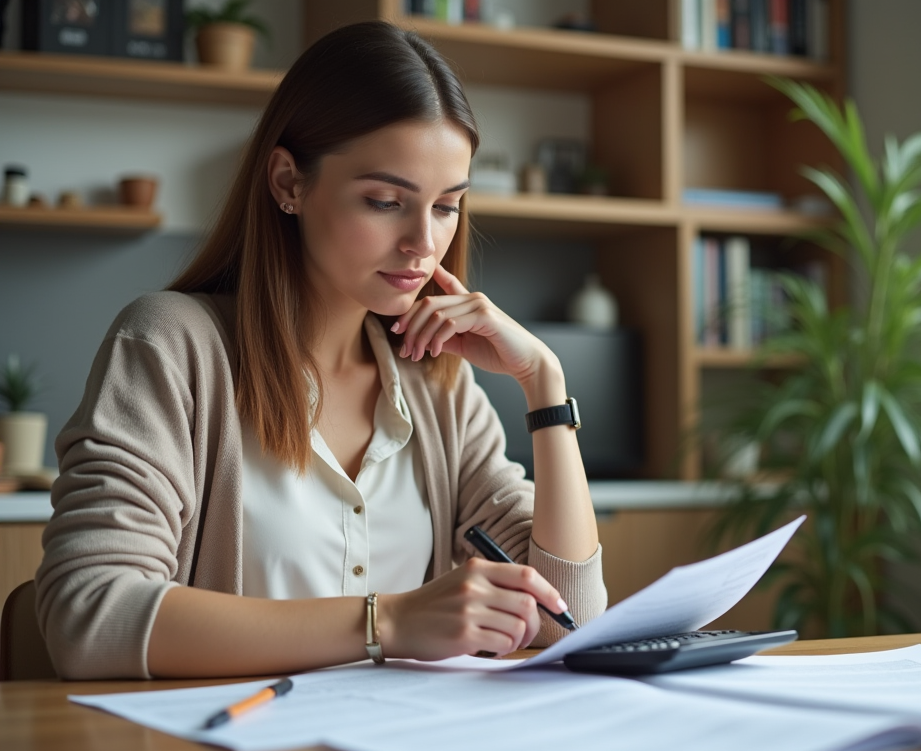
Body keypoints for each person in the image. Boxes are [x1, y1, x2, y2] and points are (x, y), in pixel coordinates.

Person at [34, 21, 606, 680]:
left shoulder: (437, 385)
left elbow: (569, 617)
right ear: (288, 182)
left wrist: (544, 382)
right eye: (385, 201)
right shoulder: (171, 346)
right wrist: (388, 622)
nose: (424, 243)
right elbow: (88, 614)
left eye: (447, 206)